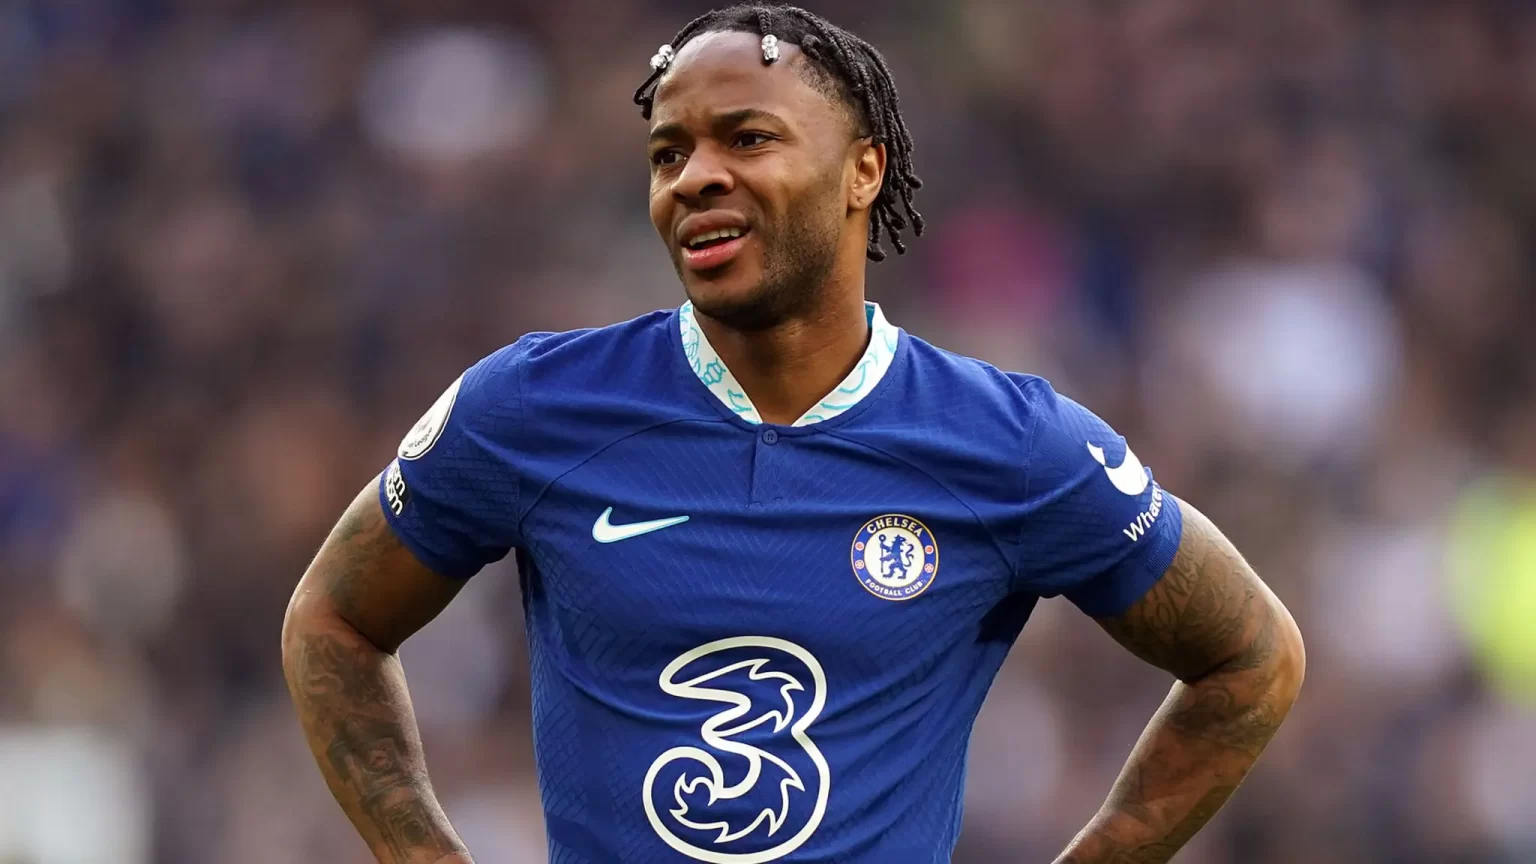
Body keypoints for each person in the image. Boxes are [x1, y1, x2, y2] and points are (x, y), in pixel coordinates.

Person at [280, 6, 1306, 863]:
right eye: (669, 153)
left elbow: (1252, 659)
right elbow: (333, 621)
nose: (694, 177)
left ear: (864, 171)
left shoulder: (1012, 445)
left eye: (747, 139)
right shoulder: (533, 408)